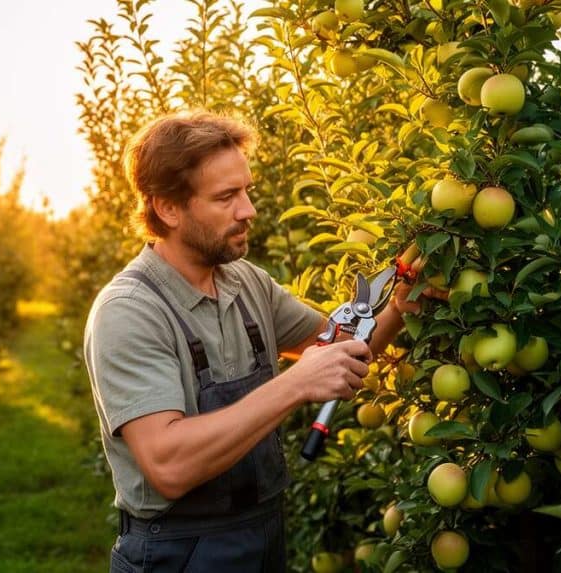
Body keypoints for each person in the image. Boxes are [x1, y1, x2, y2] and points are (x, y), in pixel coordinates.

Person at [83, 110, 444, 572]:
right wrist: (295, 385)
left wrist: (395, 309)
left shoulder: (245, 281)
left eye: (247, 191)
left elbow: (337, 351)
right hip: (178, 552)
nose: (248, 210)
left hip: (263, 532)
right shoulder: (130, 311)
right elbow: (168, 466)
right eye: (226, 197)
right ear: (168, 208)